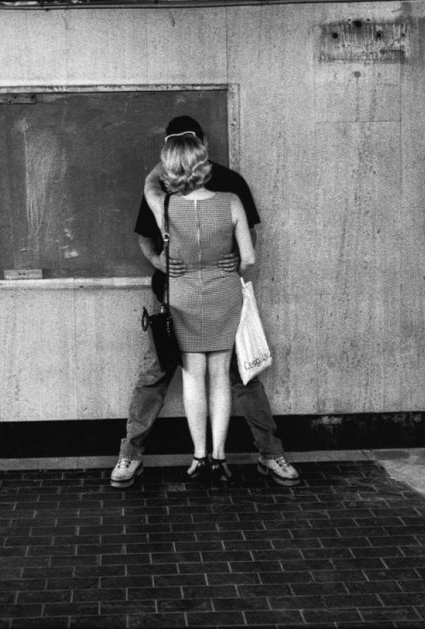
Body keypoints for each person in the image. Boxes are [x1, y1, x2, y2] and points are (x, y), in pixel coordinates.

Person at [110, 116, 301, 488]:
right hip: (186, 297)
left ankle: (267, 451)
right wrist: (161, 262)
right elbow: (149, 244)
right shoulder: (218, 195)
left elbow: (249, 241)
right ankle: (132, 455)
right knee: (158, 374)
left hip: (189, 295)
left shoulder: (190, 190)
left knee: (242, 377)